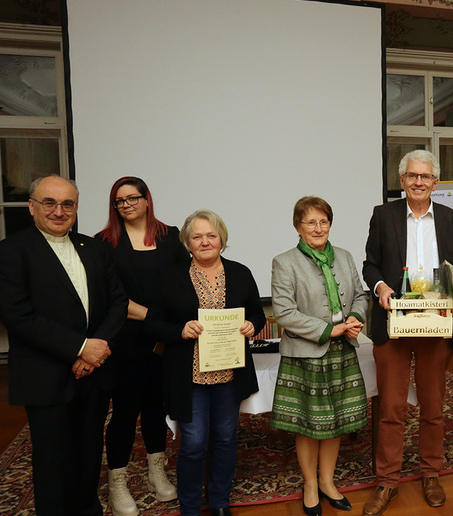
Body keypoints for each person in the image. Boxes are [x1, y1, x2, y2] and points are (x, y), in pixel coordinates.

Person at [0, 175, 127, 516]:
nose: (59, 211)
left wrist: (95, 350)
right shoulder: (11, 251)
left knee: (89, 455)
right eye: (50, 203)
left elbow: (117, 302)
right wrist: (80, 347)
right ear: (32, 207)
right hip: (46, 376)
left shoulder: (94, 248)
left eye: (67, 204)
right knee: (52, 463)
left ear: (76, 208)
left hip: (93, 374)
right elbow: (18, 315)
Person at [362, 149, 453, 516]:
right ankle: (387, 481)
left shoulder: (452, 220)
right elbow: (370, 265)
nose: (418, 182)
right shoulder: (383, 215)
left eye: (425, 176)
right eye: (412, 176)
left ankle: (431, 474)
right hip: (394, 325)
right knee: (391, 407)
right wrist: (381, 288)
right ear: (402, 180)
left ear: (435, 182)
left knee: (432, 406)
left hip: (435, 324)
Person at [144, 210, 265, 516]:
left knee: (225, 439)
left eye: (211, 235)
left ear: (221, 239)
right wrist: (179, 330)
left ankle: (220, 501)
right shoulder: (170, 277)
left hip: (229, 374)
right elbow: (152, 323)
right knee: (194, 442)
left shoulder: (240, 273)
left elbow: (257, 313)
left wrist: (252, 324)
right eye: (197, 237)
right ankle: (190, 507)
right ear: (187, 242)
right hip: (190, 377)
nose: (205, 242)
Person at [270, 196, 369, 516]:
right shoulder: (284, 262)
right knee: (308, 425)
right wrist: (329, 329)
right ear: (298, 227)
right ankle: (310, 485)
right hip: (306, 353)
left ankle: (327, 482)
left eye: (323, 221)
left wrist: (354, 317)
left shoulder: (344, 256)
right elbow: (284, 313)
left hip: (343, 350)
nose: (318, 228)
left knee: (336, 421)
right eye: (310, 222)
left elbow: (361, 295)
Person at [95, 177, 187, 515]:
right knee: (124, 411)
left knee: (155, 407)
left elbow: (183, 282)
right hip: (125, 340)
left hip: (164, 341)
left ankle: (155, 473)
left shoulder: (170, 236)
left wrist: (166, 327)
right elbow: (109, 296)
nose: (127, 205)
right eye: (120, 201)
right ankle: (117, 482)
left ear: (147, 199)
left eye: (133, 198)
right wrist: (154, 318)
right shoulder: (104, 243)